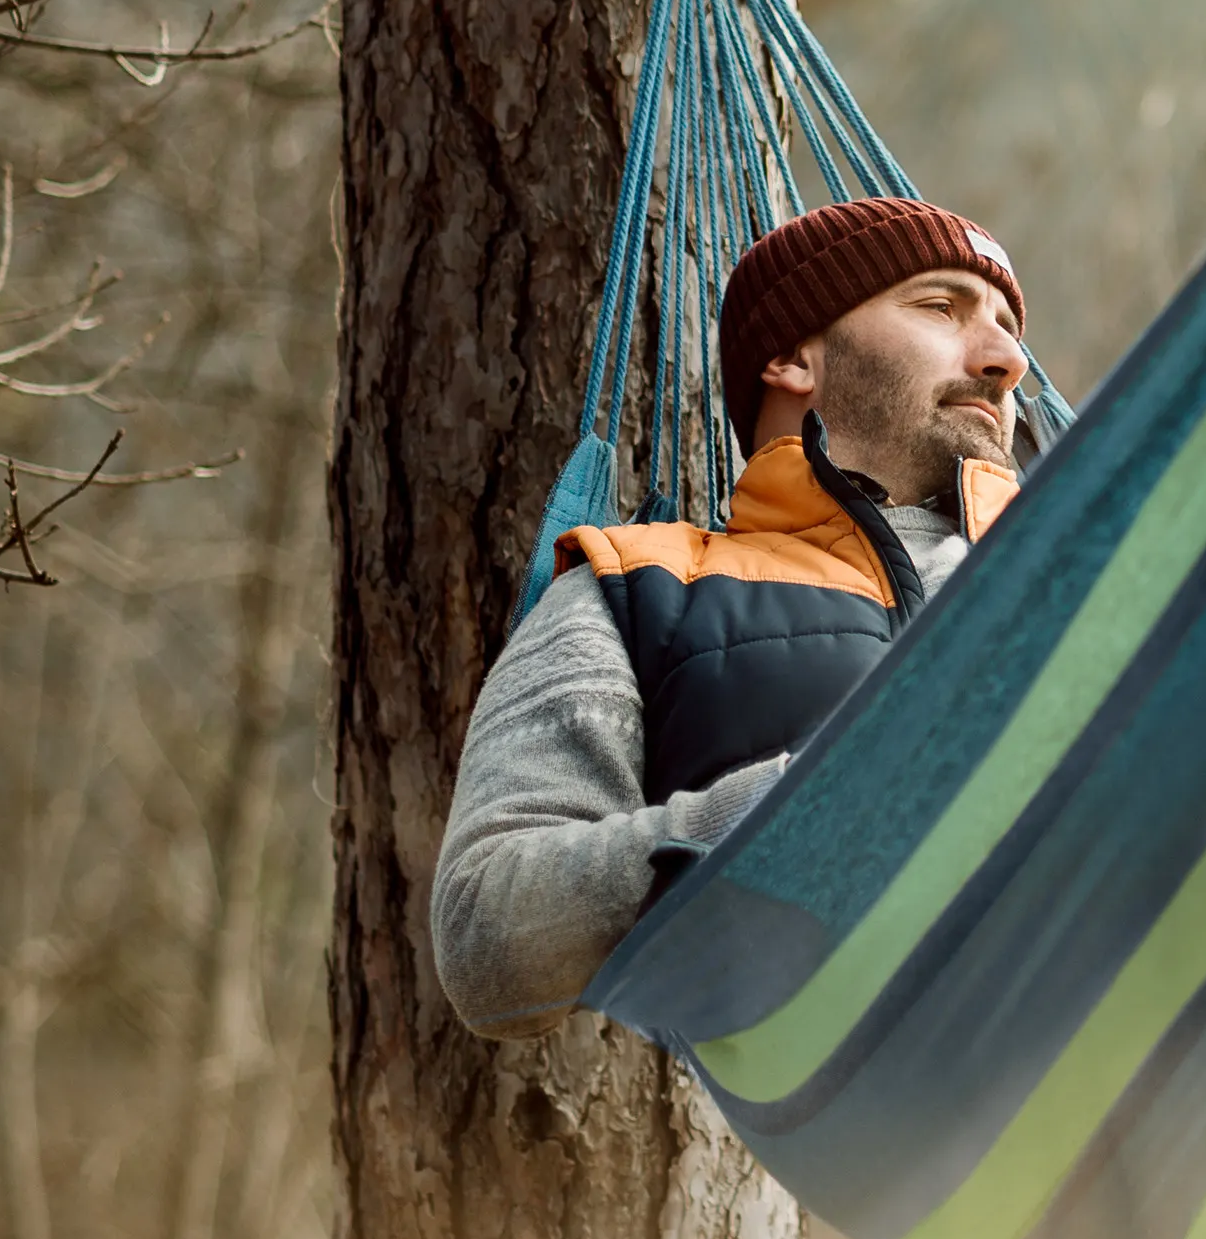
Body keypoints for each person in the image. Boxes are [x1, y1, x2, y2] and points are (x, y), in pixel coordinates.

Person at [431, 196, 1030, 1037]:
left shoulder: (1074, 584)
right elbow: (485, 933)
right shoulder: (642, 590)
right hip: (856, 1103)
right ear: (793, 357)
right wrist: (808, 806)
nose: (1008, 359)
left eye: (1008, 326)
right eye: (942, 307)